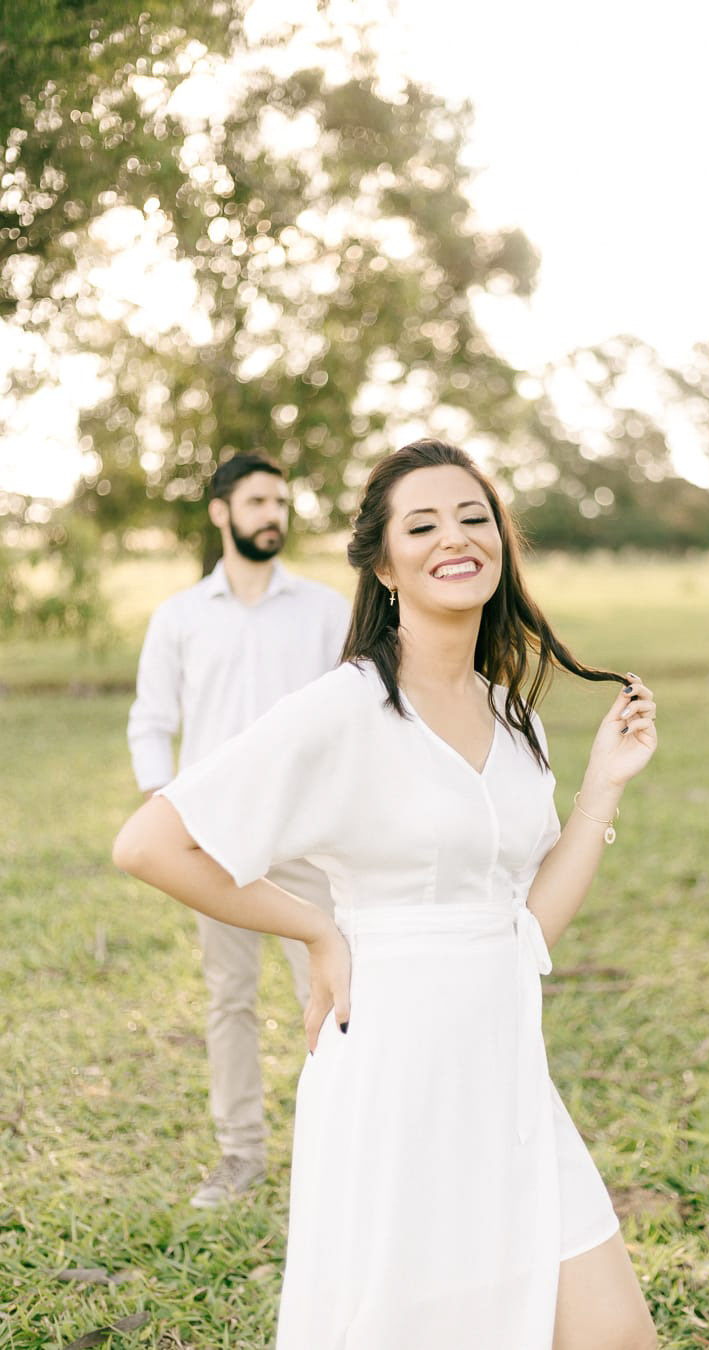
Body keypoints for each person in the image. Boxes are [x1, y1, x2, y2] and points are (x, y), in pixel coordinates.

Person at [114, 439, 659, 1349]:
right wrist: (316, 929)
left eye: (475, 517)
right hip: (390, 1078)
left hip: (508, 1079)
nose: (456, 537)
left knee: (616, 1336)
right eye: (423, 524)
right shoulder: (344, 708)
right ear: (383, 564)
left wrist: (602, 787)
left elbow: (526, 930)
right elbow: (149, 844)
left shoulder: (514, 722)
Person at [126, 451, 350, 1208]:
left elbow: (354, 716)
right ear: (221, 512)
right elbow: (152, 721)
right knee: (229, 998)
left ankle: (340, 1148)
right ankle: (241, 1154)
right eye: (257, 502)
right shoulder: (180, 616)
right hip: (214, 843)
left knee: (330, 991)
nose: (272, 515)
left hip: (305, 837)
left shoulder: (325, 612)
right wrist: (168, 806)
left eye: (280, 502)